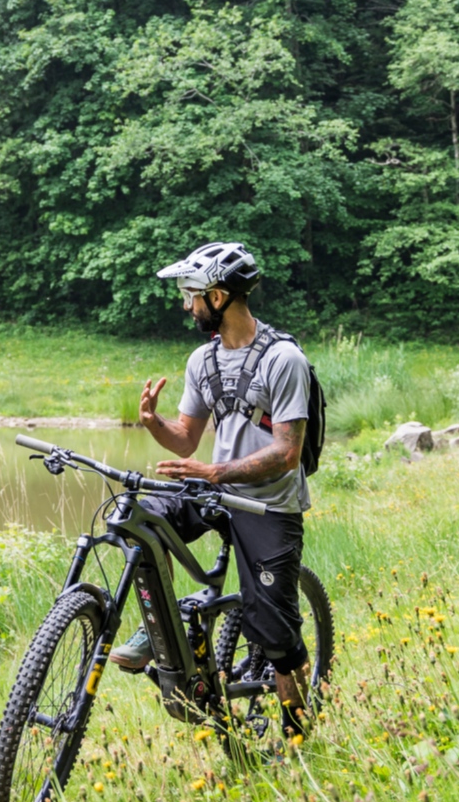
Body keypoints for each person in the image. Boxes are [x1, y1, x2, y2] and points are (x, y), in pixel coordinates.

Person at [112, 241, 314, 736]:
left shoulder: (284, 359)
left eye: (191, 294)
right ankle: (165, 627)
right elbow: (185, 438)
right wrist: (153, 422)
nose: (186, 305)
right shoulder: (202, 361)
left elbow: (287, 453)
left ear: (219, 296)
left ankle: (298, 736)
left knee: (276, 635)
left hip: (267, 505)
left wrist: (216, 473)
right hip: (213, 492)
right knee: (137, 519)